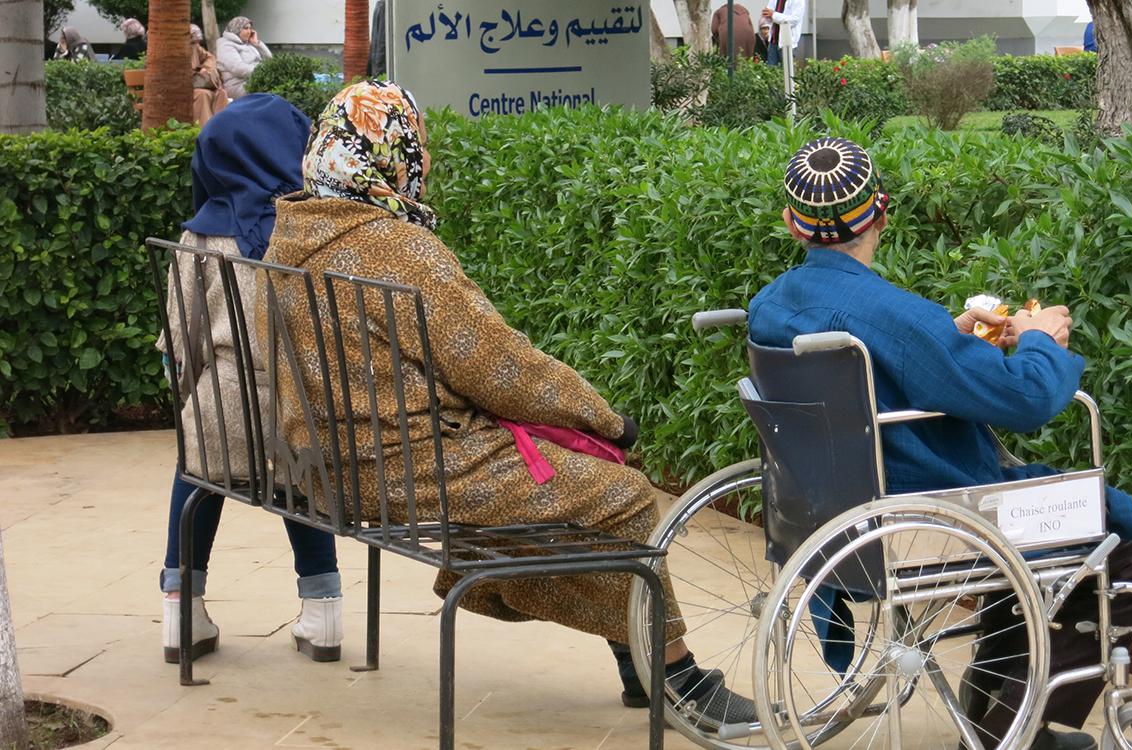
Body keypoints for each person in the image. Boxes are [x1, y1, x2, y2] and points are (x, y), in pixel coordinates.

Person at [264, 80, 758, 724]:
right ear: (394, 154)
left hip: (327, 473)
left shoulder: (292, 235)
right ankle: (674, 676)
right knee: (624, 495)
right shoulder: (400, 250)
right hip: (406, 475)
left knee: (583, 488)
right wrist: (602, 417)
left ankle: (641, 659)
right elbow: (499, 365)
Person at [748, 138, 1132, 750]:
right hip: (926, 510)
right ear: (882, 213)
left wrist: (953, 340)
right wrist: (1039, 340)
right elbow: (1028, 400)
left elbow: (872, 373)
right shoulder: (895, 316)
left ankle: (994, 708)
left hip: (829, 511)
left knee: (1031, 546)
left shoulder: (772, 306)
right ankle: (1021, 730)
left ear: (793, 224)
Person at [158, 94, 343, 666]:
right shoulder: (315, 236)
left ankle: (181, 609)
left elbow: (179, 346)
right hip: (299, 405)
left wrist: (187, 395)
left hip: (225, 396)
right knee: (303, 487)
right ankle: (324, 611)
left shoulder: (202, 239)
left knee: (198, 472)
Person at [216, 16, 272, 99]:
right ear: (236, 29)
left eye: (250, 28)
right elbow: (238, 68)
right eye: (246, 28)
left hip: (254, 79)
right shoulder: (225, 45)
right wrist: (263, 72)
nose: (249, 32)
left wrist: (257, 44)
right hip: (237, 85)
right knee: (275, 88)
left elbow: (270, 59)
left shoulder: (248, 43)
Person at [189, 24, 229, 124]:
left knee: (221, 93)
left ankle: (222, 127)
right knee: (203, 94)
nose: (197, 44)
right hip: (184, 87)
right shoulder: (175, 49)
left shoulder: (195, 47)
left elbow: (210, 58)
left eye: (197, 42)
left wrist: (205, 68)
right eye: (194, 41)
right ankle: (205, 129)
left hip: (197, 83)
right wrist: (196, 70)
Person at [760, 0, 805, 68]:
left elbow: (794, 20)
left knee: (787, 73)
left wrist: (773, 15)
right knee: (771, 72)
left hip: (787, 43)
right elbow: (768, 12)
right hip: (773, 41)